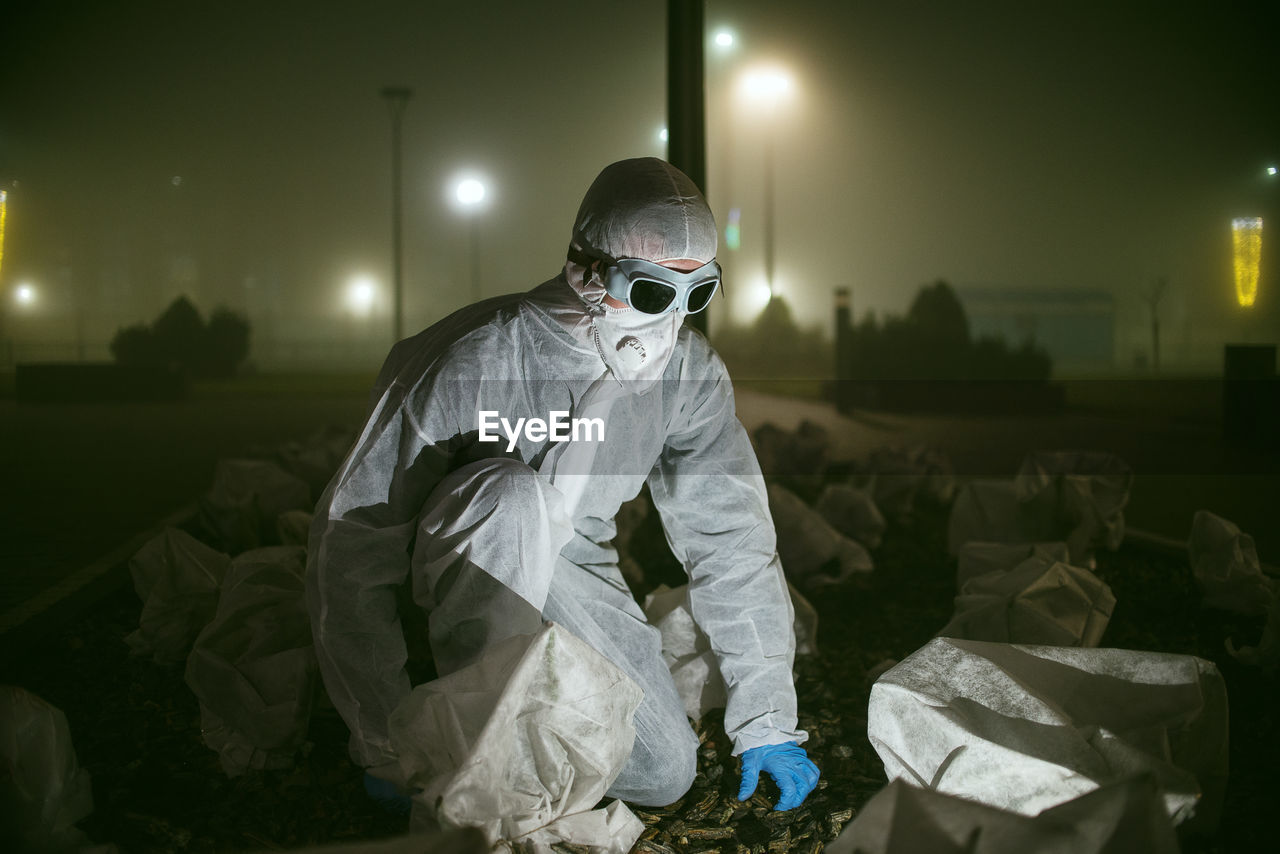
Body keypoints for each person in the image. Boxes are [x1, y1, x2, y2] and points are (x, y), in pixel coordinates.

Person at [306, 157, 820, 817]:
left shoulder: (687, 376)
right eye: (652, 291)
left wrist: (766, 719)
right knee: (511, 497)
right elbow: (356, 538)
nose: (671, 320)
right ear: (587, 269)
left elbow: (731, 539)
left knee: (663, 771)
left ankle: (506, 719)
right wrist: (378, 730)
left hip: (575, 561)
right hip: (462, 552)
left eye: (698, 294)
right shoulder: (473, 357)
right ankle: (458, 707)